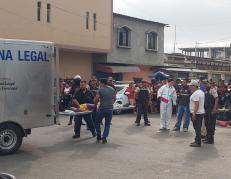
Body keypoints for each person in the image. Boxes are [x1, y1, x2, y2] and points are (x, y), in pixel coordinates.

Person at [94, 78, 116, 144]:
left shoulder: (100, 89)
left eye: (99, 82)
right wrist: (110, 104)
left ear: (102, 83)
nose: (99, 84)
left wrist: (95, 105)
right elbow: (115, 99)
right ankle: (104, 138)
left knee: (97, 122)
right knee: (107, 124)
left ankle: (98, 135)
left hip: (102, 109)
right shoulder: (112, 89)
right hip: (110, 109)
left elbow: (97, 98)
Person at [189, 80, 205, 147]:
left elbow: (197, 104)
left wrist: (194, 114)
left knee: (197, 128)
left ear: (194, 86)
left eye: (191, 85)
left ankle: (198, 142)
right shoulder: (200, 92)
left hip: (197, 113)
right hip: (200, 113)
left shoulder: (196, 93)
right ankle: (197, 140)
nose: (190, 87)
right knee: (198, 128)